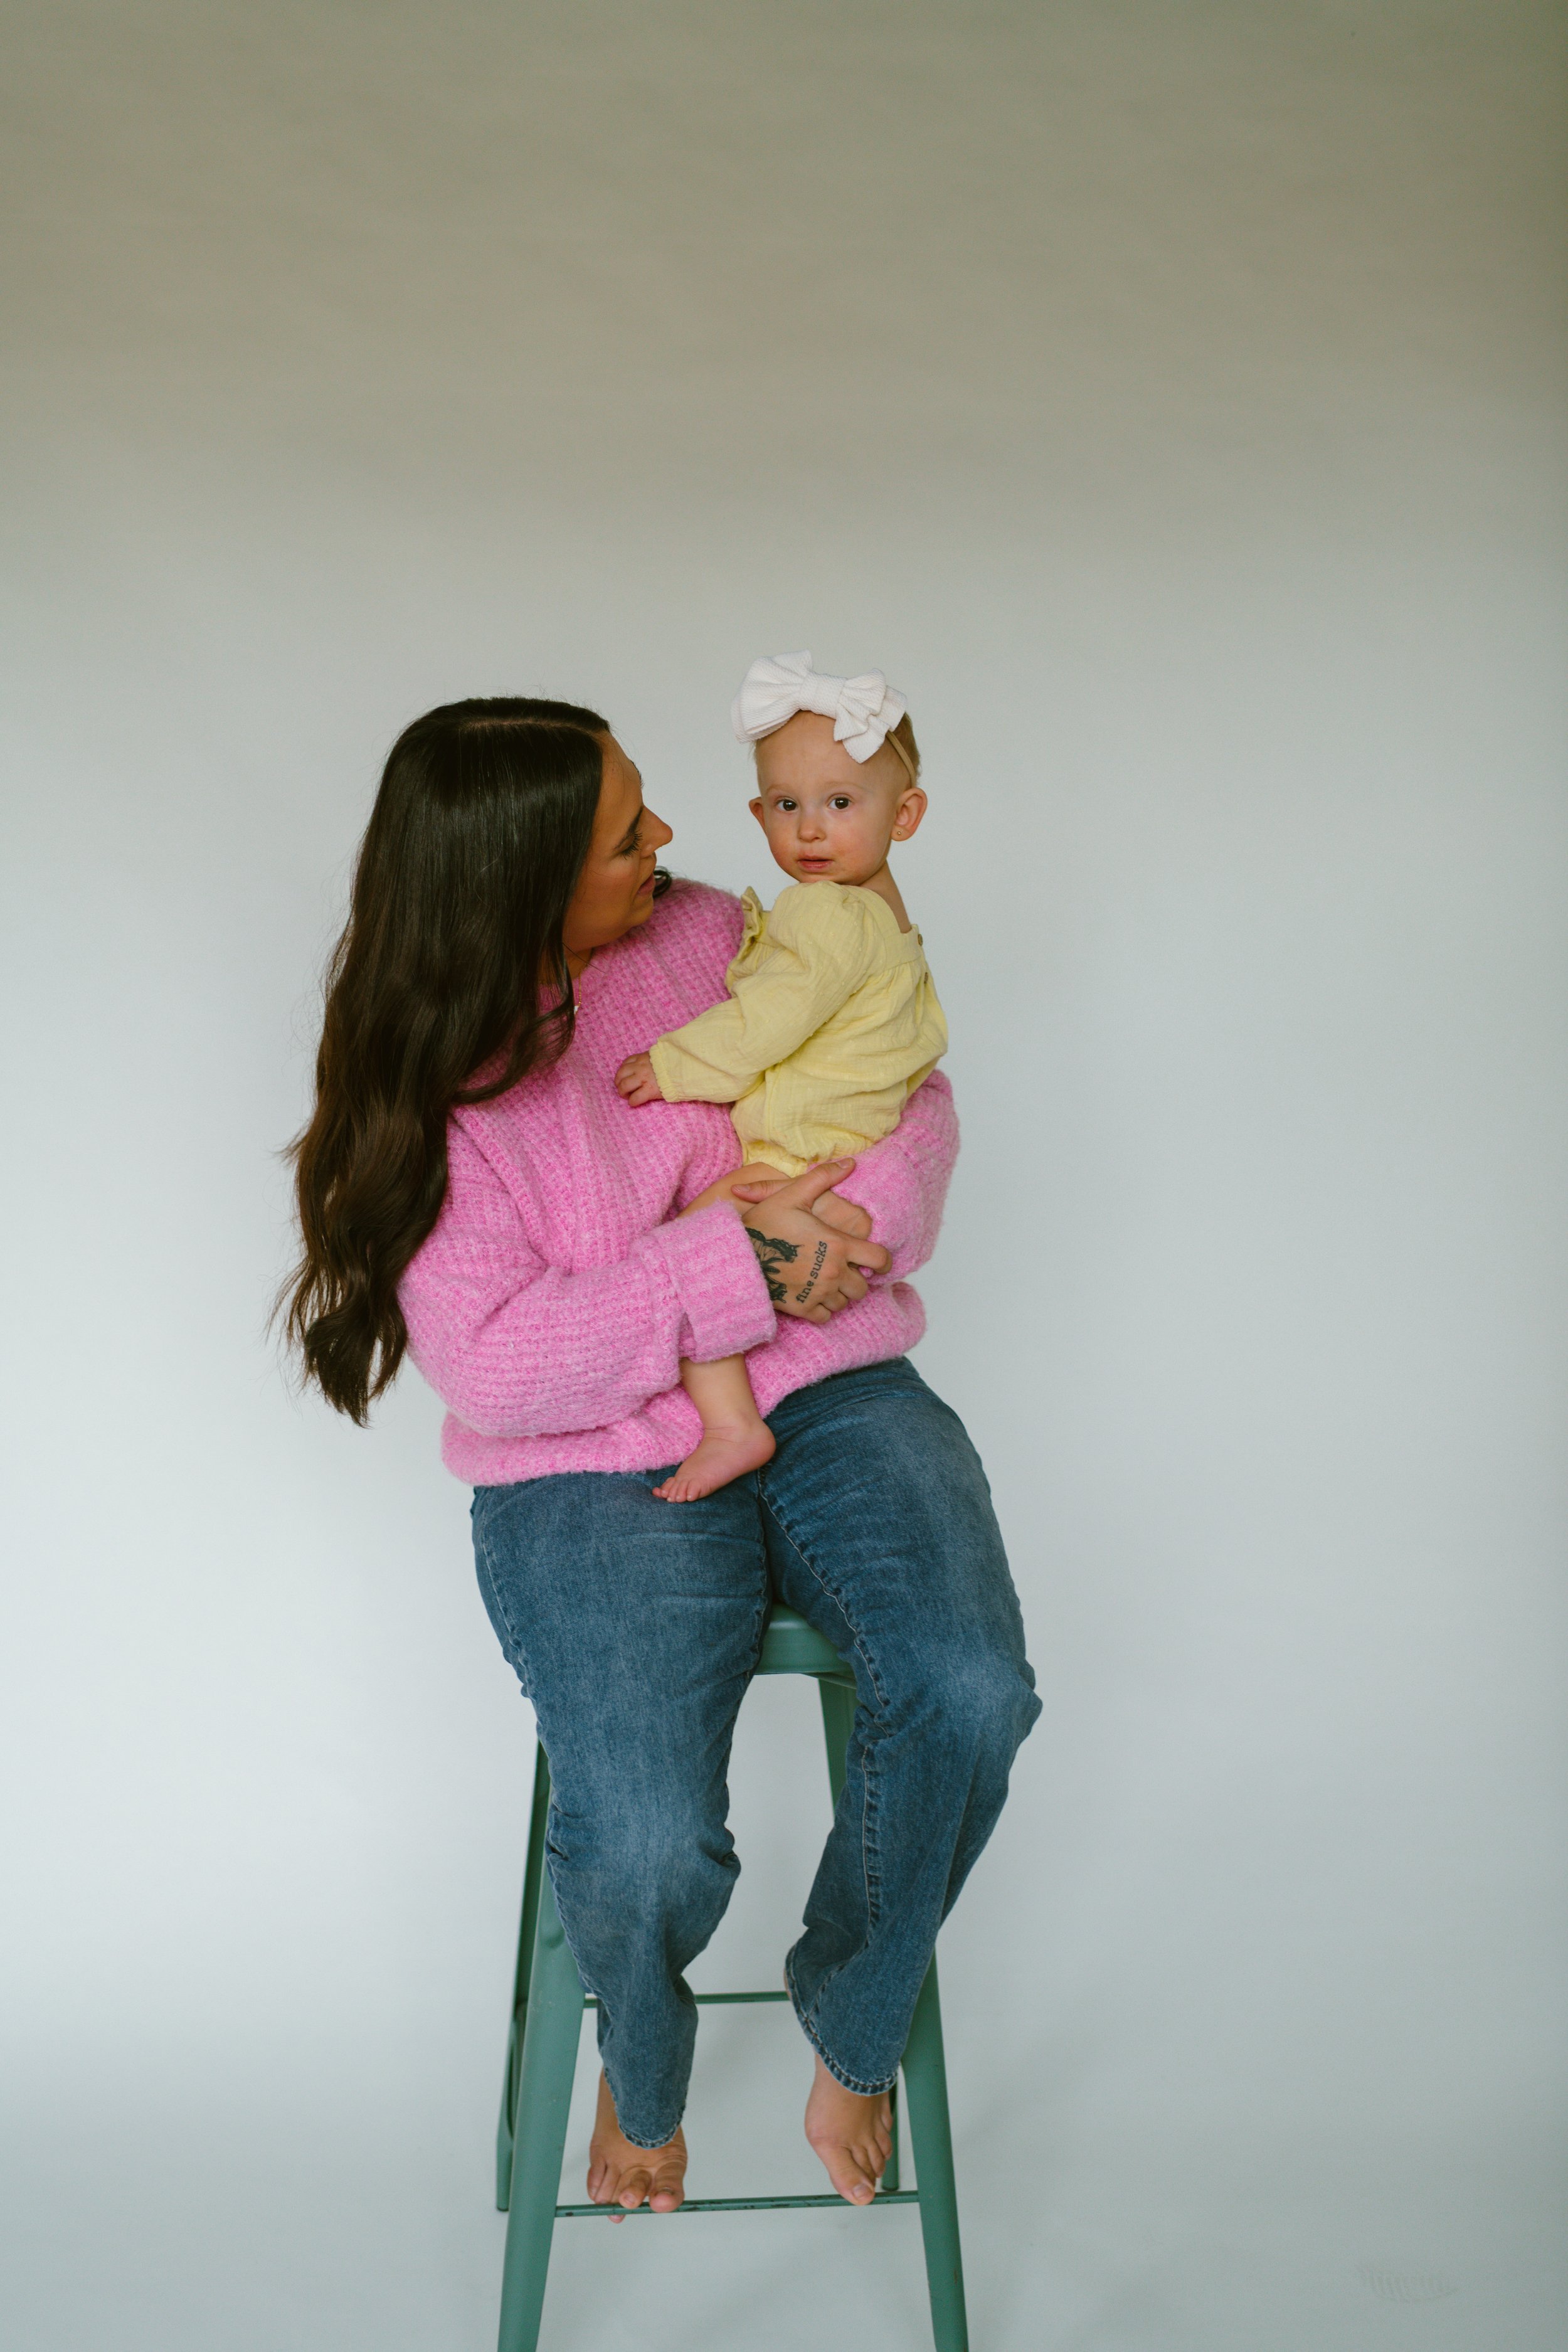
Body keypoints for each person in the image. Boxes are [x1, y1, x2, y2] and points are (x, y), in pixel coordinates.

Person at [283, 694, 1040, 2217]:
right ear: (518, 883)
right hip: (585, 1458)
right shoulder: (440, 1080)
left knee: (968, 1685)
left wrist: (851, 1236)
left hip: (829, 1384)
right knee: (637, 1843)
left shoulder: (719, 932)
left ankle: (852, 2018)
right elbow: (497, 1361)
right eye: (628, 835)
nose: (673, 844)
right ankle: (641, 2058)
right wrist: (737, 1262)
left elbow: (901, 1087)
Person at [615, 651, 948, 1503]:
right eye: (787, 806)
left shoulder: (829, 912)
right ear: (758, 810)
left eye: (840, 804)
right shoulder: (885, 912)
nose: (809, 830)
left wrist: (671, 1064)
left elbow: (768, 1021)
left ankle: (731, 1426)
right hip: (849, 1137)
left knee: (695, 1269)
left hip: (804, 1149)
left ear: (903, 813)